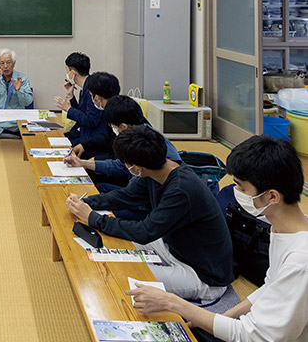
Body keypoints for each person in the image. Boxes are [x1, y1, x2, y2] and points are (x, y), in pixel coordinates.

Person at [126, 135, 308, 342]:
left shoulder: (300, 261)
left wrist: (173, 302)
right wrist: (221, 317)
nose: (235, 191)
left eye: (241, 187)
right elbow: (270, 287)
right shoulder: (283, 230)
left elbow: (253, 336)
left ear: (272, 196)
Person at [66, 125, 234, 303]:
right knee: (108, 249)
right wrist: (86, 203)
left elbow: (144, 232)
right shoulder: (158, 169)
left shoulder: (181, 189)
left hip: (202, 274)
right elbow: (126, 196)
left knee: (119, 274)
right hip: (173, 247)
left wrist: (93, 218)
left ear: (136, 168)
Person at [66, 95, 181, 190]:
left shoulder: (142, 143)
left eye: (113, 126)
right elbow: (120, 165)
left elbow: (133, 192)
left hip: (146, 202)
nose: (112, 128)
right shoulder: (141, 132)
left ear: (123, 126)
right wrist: (83, 163)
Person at [53, 52, 108, 147]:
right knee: (56, 138)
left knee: (57, 145)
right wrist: (71, 96)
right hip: (84, 132)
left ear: (73, 73)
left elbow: (90, 120)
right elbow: (82, 113)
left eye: (67, 71)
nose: (66, 74)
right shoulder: (85, 86)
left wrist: (69, 109)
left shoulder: (92, 89)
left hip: (92, 138)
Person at [69, 71, 121, 159]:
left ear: (97, 97)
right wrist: (84, 146)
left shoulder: (118, 113)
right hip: (103, 150)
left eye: (90, 95)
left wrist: (94, 161)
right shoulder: (113, 108)